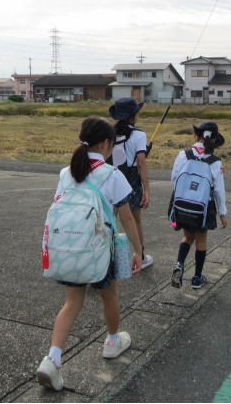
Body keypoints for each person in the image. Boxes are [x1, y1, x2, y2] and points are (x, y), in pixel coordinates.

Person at [36, 117, 143, 391]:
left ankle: (53, 358)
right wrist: (138, 250)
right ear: (106, 143)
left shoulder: (66, 173)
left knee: (71, 303)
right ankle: (112, 341)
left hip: (70, 249)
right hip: (99, 251)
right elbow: (127, 219)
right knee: (110, 295)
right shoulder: (112, 174)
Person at [170, 122, 228, 289]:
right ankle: (196, 278)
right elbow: (219, 190)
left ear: (196, 136)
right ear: (214, 140)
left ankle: (179, 265)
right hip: (203, 207)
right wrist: (222, 213)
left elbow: (174, 179)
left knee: (188, 237)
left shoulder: (183, 155)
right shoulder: (215, 162)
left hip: (182, 206)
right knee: (201, 241)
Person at [109, 97, 153, 269]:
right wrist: (147, 190)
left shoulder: (110, 133)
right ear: (133, 115)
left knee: (108, 219)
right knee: (135, 221)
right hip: (131, 178)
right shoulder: (139, 135)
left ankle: (105, 256)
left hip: (111, 177)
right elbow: (141, 163)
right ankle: (140, 257)